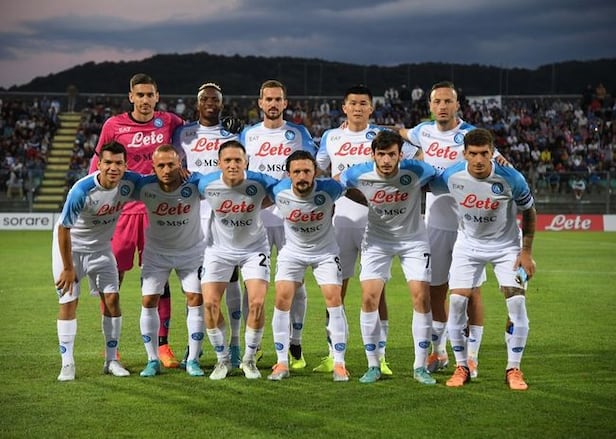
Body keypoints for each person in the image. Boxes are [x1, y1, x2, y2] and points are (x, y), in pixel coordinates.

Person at [88, 73, 184, 369]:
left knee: (159, 279)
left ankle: (163, 346)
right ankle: (112, 348)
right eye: (139, 95)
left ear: (157, 97)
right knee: (112, 278)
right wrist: (92, 196)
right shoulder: (113, 125)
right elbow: (97, 163)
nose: (145, 100)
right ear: (131, 96)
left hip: (158, 211)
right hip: (122, 212)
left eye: (149, 95)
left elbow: (194, 136)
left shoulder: (169, 121)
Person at [430, 128, 536, 390]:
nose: (478, 160)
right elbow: (426, 183)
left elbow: (529, 211)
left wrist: (526, 252)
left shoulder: (511, 177)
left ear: (492, 153)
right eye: (473, 153)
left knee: (517, 303)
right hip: (468, 245)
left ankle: (514, 369)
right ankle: (462, 366)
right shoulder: (451, 175)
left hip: (507, 247)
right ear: (465, 153)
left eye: (484, 154)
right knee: (457, 302)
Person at [315, 85, 411, 374]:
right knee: (336, 290)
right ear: (344, 107)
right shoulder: (330, 137)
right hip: (341, 221)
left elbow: (411, 160)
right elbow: (320, 170)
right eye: (353, 103)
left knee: (377, 291)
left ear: (371, 108)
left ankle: (380, 356)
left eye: (363, 104)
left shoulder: (383, 136)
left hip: (376, 222)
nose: (357, 108)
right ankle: (334, 354)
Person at [399, 80, 490, 378]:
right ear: (430, 105)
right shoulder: (422, 132)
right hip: (435, 221)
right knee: (435, 289)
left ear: (457, 105)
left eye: (448, 101)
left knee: (471, 292)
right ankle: (439, 351)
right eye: (437, 101)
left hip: (469, 224)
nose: (442, 106)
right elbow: (400, 134)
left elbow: (494, 162)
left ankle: (472, 357)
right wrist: (369, 128)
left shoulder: (470, 135)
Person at [337, 130, 437, 385]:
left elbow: (441, 177)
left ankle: (420, 366)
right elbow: (337, 183)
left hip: (413, 241)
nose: (386, 160)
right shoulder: (358, 173)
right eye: (381, 154)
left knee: (421, 296)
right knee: (369, 298)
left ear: (400, 155)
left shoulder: (417, 169)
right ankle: (373, 365)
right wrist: (365, 199)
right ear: (373, 155)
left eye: (392, 154)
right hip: (377, 241)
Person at [239, 79, 317, 369]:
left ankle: (295, 343)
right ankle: (254, 344)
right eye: (268, 99)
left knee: (296, 282)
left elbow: (309, 170)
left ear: (285, 103)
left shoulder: (299, 133)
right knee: (251, 284)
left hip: (290, 217)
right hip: (256, 218)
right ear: (260, 103)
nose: (273, 104)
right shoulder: (248, 134)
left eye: (278, 99)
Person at [173, 82, 245, 369]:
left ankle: (235, 344)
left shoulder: (232, 133)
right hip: (192, 215)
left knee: (232, 278)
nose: (211, 103)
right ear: (198, 104)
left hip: (225, 213)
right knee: (195, 287)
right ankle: (196, 347)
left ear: (221, 104)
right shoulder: (183, 133)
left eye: (215, 100)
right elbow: (174, 163)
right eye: (206, 99)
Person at [54, 141, 138, 381]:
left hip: (101, 249)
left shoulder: (130, 183)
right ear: (98, 164)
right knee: (69, 302)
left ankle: (111, 360)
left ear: (125, 165)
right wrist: (68, 268)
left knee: (112, 299)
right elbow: (63, 228)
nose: (113, 168)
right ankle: (67, 364)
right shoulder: (81, 190)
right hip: (72, 249)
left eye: (119, 163)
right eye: (108, 162)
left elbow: (158, 182)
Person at [194, 140, 278, 380]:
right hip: (218, 250)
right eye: (227, 160)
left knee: (257, 303)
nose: (233, 165)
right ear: (219, 163)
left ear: (246, 162)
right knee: (210, 304)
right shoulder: (206, 183)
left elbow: (284, 190)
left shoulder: (260, 182)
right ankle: (222, 360)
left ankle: (249, 360)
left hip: (254, 249)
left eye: (238, 160)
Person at [267, 150, 349, 382]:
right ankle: (282, 363)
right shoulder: (278, 191)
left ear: (315, 172)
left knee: (334, 299)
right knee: (282, 298)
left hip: (325, 252)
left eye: (307, 171)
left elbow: (351, 182)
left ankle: (339, 363)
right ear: (288, 174)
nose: (302, 176)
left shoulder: (330, 189)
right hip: (292, 252)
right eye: (297, 172)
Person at [133, 145, 206, 377]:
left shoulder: (194, 184)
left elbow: (219, 184)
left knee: (195, 298)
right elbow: (116, 187)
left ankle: (193, 359)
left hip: (191, 253)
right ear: (153, 167)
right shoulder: (144, 186)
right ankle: (152, 360)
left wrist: (196, 176)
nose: (166, 170)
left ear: (180, 165)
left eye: (171, 165)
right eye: (161, 165)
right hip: (156, 254)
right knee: (148, 300)